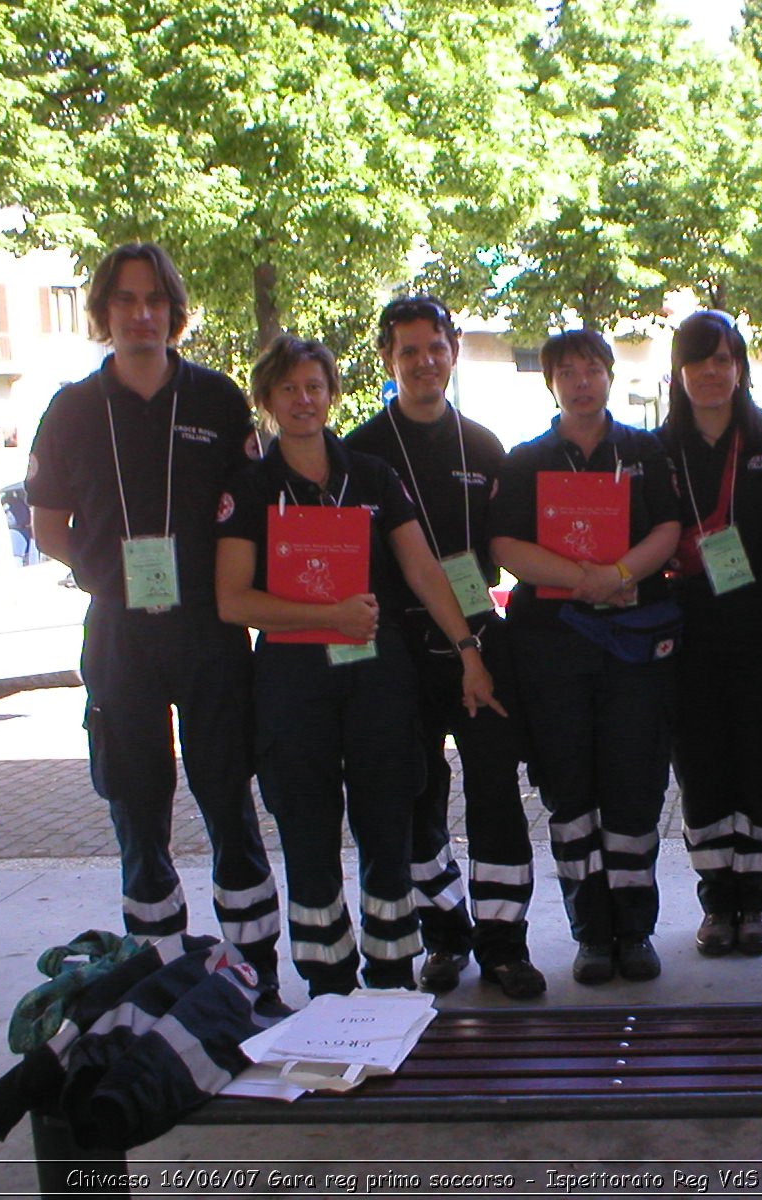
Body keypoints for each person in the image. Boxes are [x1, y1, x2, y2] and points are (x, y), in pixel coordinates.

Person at [215, 335, 503, 995]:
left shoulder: (370, 476)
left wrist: (468, 651)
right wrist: (325, 618)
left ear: (332, 394)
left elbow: (424, 571)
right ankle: (327, 983)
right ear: (266, 400)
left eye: (314, 386)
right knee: (309, 833)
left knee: (387, 824)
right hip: (293, 682)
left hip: (377, 675)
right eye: (287, 389)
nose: (303, 400)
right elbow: (232, 600)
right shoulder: (251, 489)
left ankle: (393, 975)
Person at [26, 243, 279, 977]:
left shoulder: (217, 399)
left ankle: (254, 966)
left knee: (226, 788)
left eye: (155, 301)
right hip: (119, 629)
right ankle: (158, 965)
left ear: (174, 311)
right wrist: (108, 576)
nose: (141, 314)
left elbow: (250, 516)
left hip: (208, 626)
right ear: (105, 312)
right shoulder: (71, 410)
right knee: (136, 800)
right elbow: (48, 528)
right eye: (126, 301)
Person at [343, 296, 542, 1000]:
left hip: (479, 643)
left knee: (495, 793)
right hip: (396, 646)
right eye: (408, 352)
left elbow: (511, 548)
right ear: (387, 362)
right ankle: (445, 935)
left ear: (453, 351)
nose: (425, 362)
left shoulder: (487, 448)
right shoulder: (359, 452)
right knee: (414, 799)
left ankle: (504, 945)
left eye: (435, 348)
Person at [489, 329, 681, 985]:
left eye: (592, 369)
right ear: (551, 383)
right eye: (566, 371)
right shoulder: (526, 459)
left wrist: (622, 570)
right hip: (552, 647)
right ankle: (591, 935)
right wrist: (584, 579)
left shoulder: (645, 449)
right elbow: (507, 545)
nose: (581, 382)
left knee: (633, 786)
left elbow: (669, 528)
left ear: (608, 375)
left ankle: (636, 930)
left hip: (633, 646)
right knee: (569, 792)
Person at [658, 310, 762, 957]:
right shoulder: (656, 451)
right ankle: (718, 902)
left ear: (740, 368)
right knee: (702, 770)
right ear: (679, 371)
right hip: (686, 637)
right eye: (697, 359)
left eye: (723, 358)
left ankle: (758, 903)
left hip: (760, 633)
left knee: (759, 768)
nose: (711, 372)